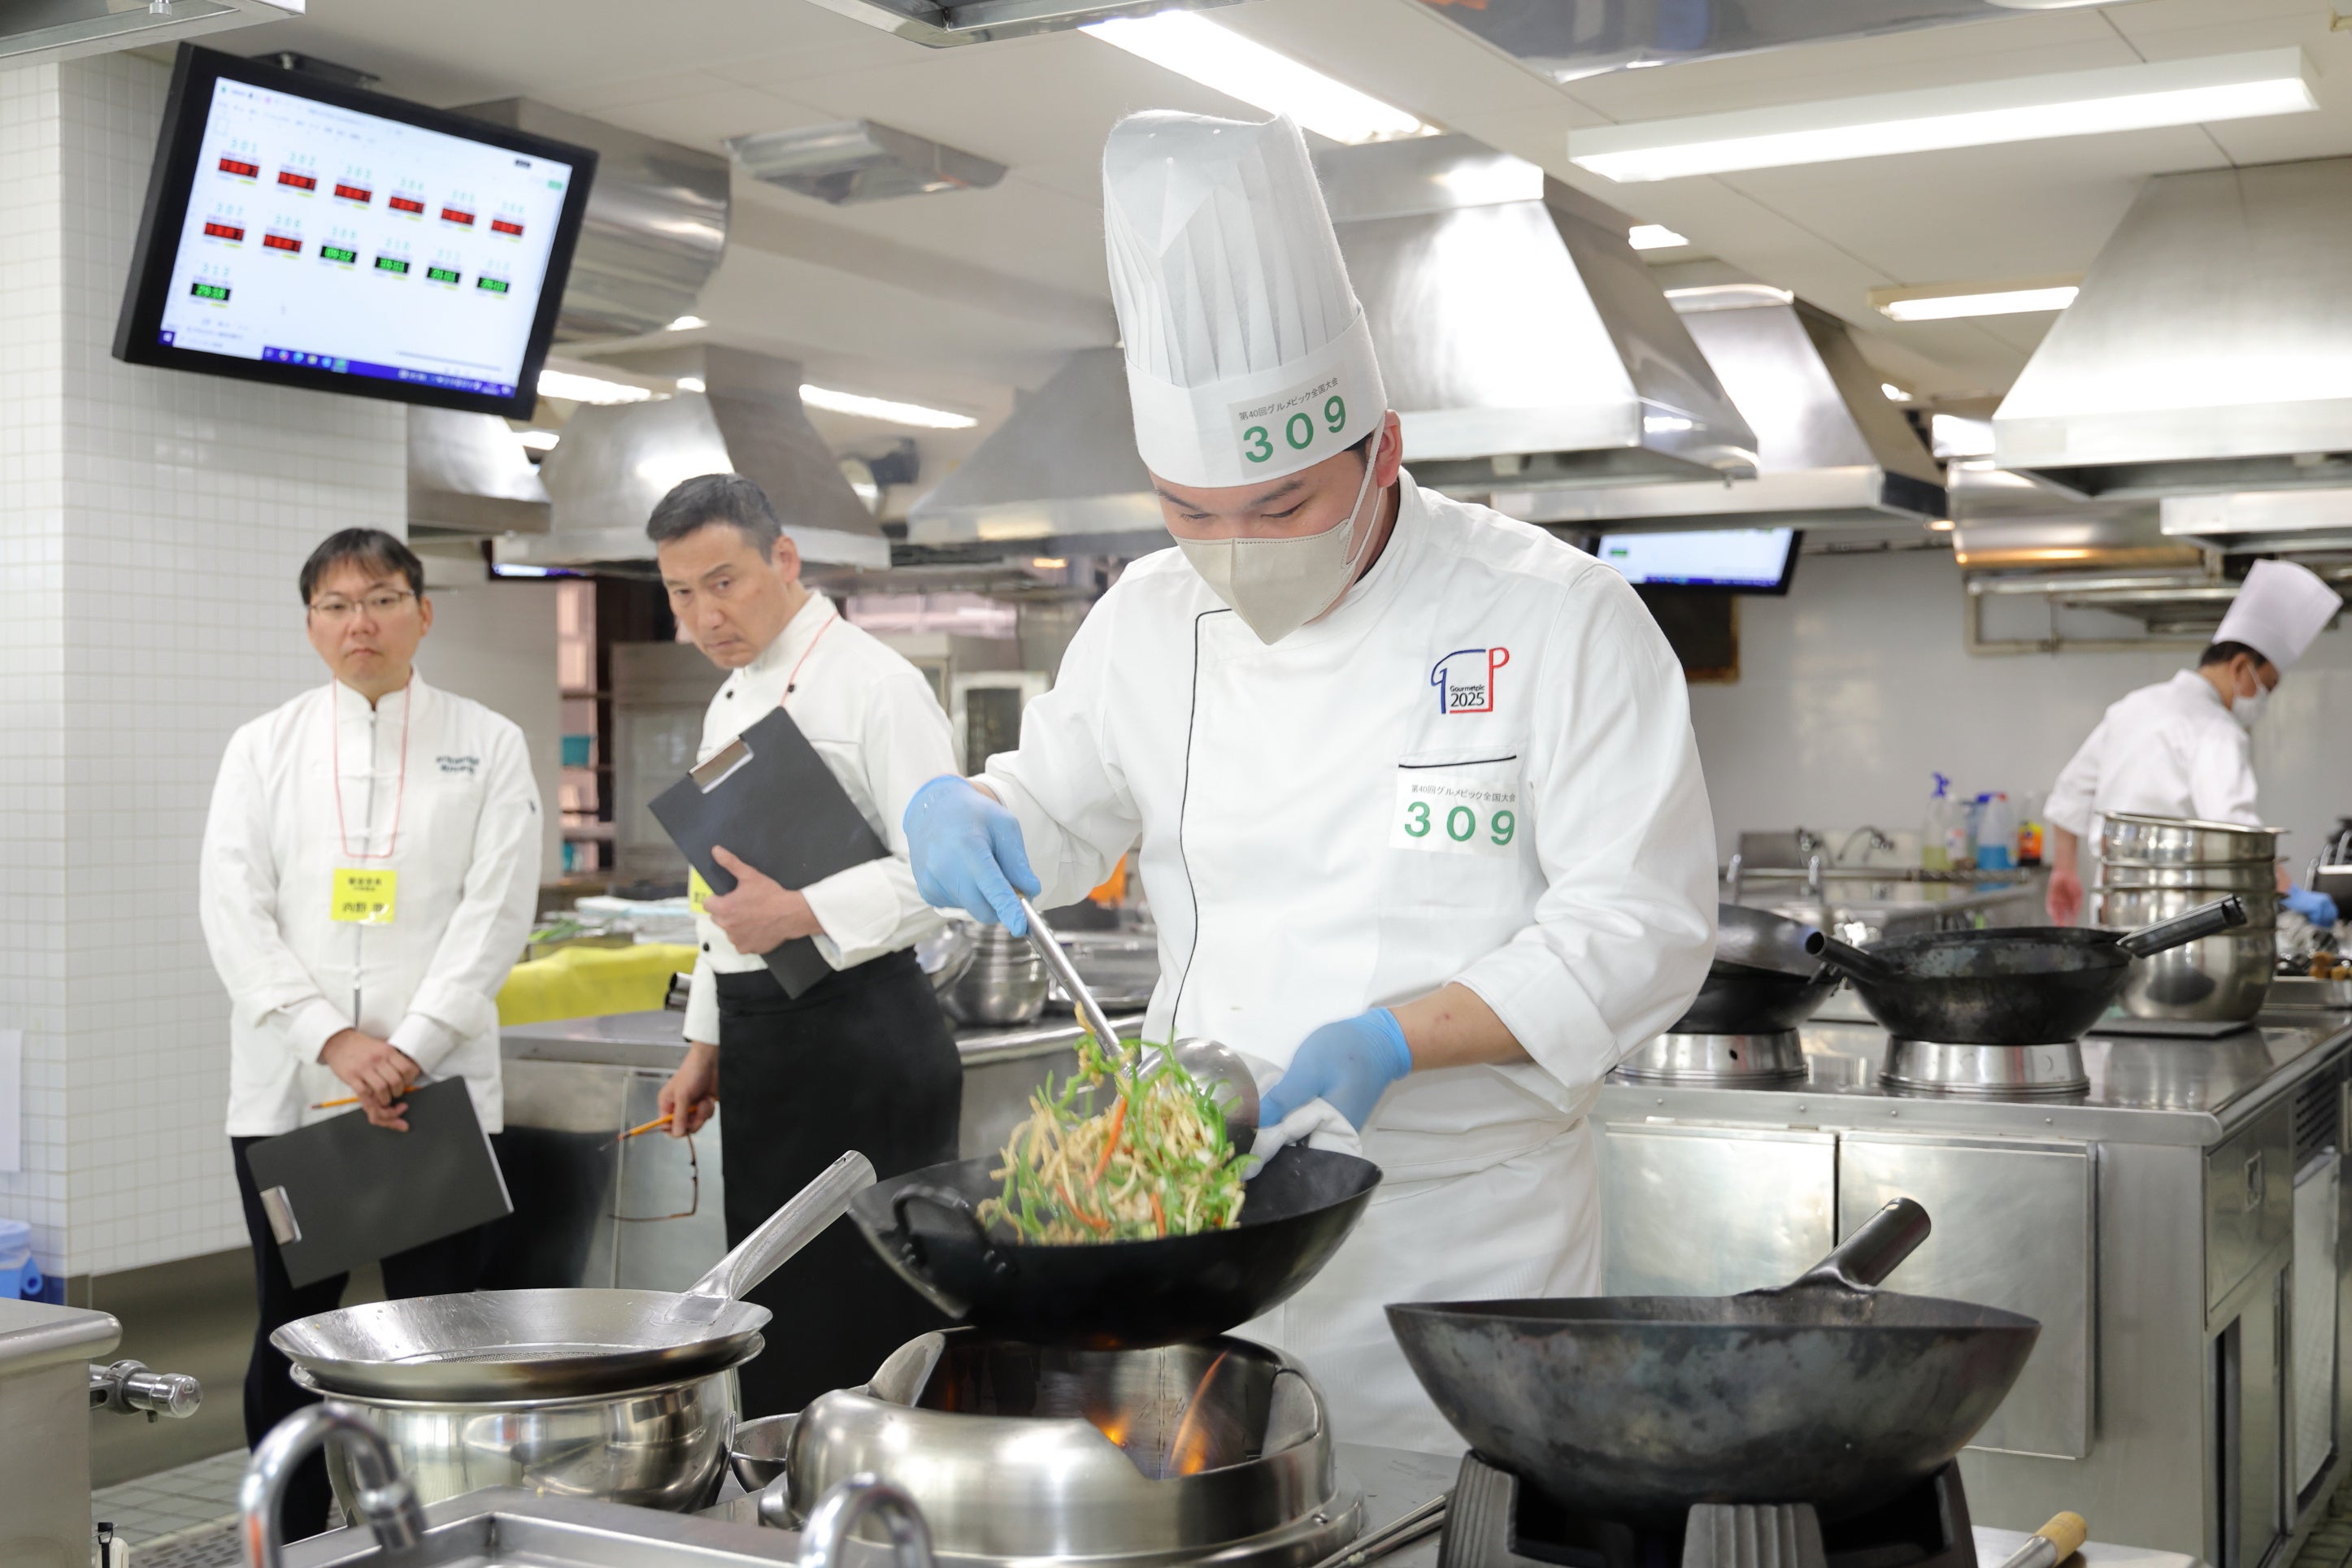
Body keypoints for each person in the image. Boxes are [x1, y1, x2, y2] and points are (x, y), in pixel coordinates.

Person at [900, 112, 1716, 1453]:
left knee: (1442, 1523)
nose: (1232, 549)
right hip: (1189, 1219)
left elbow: (1640, 927)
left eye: (1278, 507)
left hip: (1456, 1241)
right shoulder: (1146, 616)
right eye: (1188, 509)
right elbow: (1052, 809)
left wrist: (1391, 1037)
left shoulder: (1557, 615)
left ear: (1380, 448)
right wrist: (976, 812)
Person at [200, 528, 541, 1534]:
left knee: (435, 1335)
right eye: (337, 605)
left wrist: (412, 1047)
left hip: (434, 1096)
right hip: (292, 1091)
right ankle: (288, 1538)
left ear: (422, 614)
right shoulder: (263, 747)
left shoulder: (487, 741)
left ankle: (439, 1532)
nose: (362, 623)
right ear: (311, 625)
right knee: (291, 1332)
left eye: (383, 599)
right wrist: (335, 1042)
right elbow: (234, 911)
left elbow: (496, 912)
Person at [647, 474, 963, 1416]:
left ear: (783, 560)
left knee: (869, 1329)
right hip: (764, 1049)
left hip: (865, 1045)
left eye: (724, 582)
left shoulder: (879, 686)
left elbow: (945, 875)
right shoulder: (728, 700)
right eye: (680, 593)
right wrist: (706, 1042)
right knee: (773, 1311)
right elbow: (722, 900)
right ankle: (788, 1490)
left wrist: (801, 912)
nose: (705, 615)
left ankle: (885, 1499)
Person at [2046, 559, 2342, 927]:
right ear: (2240, 668)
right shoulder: (2217, 729)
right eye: (2267, 686)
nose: (2263, 699)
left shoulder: (2133, 706)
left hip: (2111, 906)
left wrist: (2064, 870)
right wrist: (2289, 891)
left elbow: (2069, 793)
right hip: (2176, 917)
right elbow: (2235, 829)